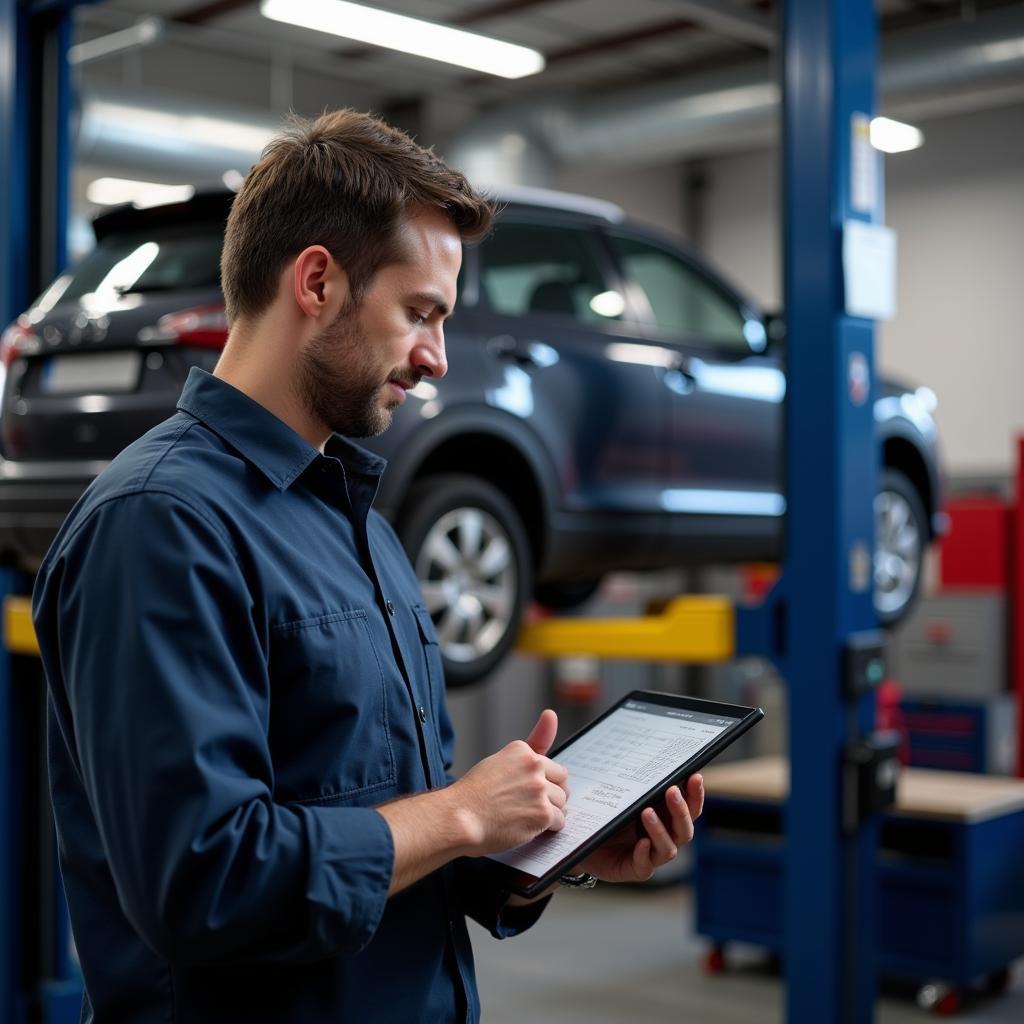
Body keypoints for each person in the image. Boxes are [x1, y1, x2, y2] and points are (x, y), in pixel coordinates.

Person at [32, 109, 704, 1024]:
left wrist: (541, 854)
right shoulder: (161, 525)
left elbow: (384, 829)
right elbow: (205, 881)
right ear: (317, 280)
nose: (433, 357)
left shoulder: (361, 526)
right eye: (419, 312)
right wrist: (463, 813)